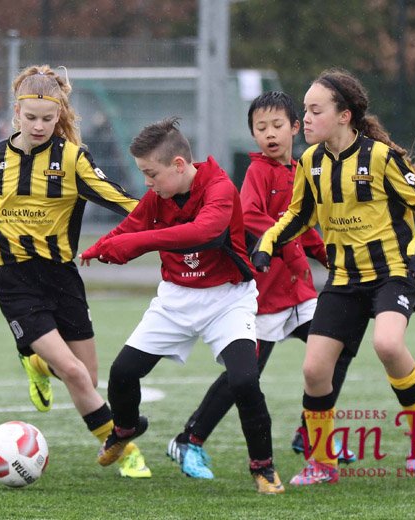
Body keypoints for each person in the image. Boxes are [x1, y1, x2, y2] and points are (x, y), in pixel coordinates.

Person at [252, 68, 415, 485]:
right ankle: (322, 462)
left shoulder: (380, 157)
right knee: (314, 370)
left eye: (315, 110)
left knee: (387, 344)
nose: (305, 118)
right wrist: (268, 243)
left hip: (392, 272)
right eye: (305, 110)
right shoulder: (310, 162)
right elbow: (299, 215)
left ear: (344, 116)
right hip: (344, 278)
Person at [79, 117, 284, 495]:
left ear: (177, 165)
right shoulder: (158, 197)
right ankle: (124, 430)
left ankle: (263, 467)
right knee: (123, 373)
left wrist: (138, 244)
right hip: (176, 299)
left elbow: (202, 233)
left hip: (227, 299)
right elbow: (131, 228)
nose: (147, 183)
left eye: (150, 173)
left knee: (244, 380)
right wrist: (101, 247)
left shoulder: (220, 188)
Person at [0, 64, 151, 479]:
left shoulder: (72, 159)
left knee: (86, 378)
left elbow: (122, 201)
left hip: (61, 278)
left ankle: (36, 365)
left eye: (47, 118)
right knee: (72, 371)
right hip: (13, 279)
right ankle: (124, 449)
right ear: (16, 113)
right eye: (31, 117)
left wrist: (175, 222)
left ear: (60, 115)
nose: (38, 126)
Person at [165, 91, 356, 480]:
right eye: (260, 127)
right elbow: (251, 215)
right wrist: (285, 241)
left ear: (295, 128)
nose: (269, 134)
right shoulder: (258, 172)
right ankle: (189, 439)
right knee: (244, 376)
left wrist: (329, 257)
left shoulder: (303, 169)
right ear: (252, 134)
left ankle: (311, 431)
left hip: (299, 291)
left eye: (277, 125)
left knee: (337, 348)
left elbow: (304, 225)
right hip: (265, 294)